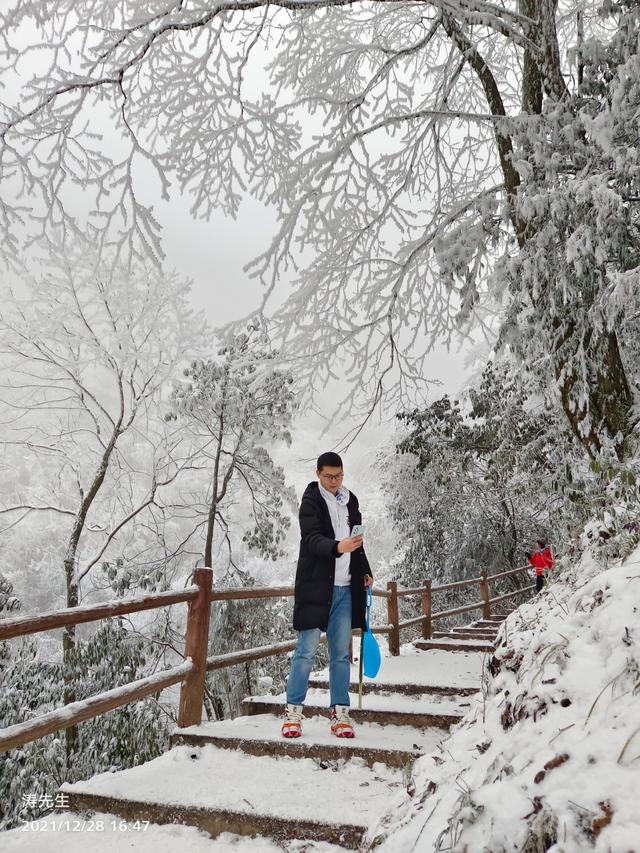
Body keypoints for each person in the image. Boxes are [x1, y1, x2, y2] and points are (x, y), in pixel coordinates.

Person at [282, 452, 373, 740]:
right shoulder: (310, 501)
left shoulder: (351, 501)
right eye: (329, 476)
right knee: (306, 652)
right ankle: (293, 713)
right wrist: (338, 547)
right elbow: (311, 540)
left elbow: (356, 543)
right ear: (318, 474)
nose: (334, 481)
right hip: (316, 587)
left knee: (340, 655)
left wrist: (365, 569)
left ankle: (340, 713)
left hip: (347, 588)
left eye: (339, 476)